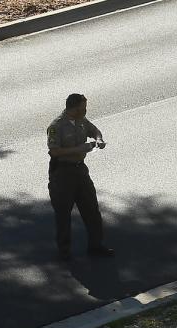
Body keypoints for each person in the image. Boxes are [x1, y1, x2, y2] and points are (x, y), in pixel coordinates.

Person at [46, 93, 113, 260]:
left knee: (91, 208)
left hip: (80, 171)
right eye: (83, 108)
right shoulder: (56, 126)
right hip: (62, 173)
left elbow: (94, 130)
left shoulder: (81, 120)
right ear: (74, 109)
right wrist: (79, 148)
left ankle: (96, 245)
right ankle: (64, 251)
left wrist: (99, 139)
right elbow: (54, 151)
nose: (85, 110)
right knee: (63, 213)